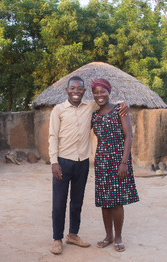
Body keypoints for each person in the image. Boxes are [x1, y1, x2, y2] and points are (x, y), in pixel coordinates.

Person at [48, 76, 128, 255]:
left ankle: (73, 234)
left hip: (82, 162)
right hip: (63, 161)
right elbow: (53, 136)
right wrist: (54, 162)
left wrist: (125, 103)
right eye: (73, 88)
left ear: (84, 92)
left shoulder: (90, 107)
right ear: (67, 90)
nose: (76, 91)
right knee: (59, 203)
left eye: (79, 89)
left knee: (77, 202)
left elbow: (107, 100)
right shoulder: (58, 110)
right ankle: (57, 238)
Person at [90, 78, 139, 252]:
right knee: (105, 201)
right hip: (102, 162)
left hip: (119, 160)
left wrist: (124, 162)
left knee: (117, 201)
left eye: (103, 91)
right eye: (96, 92)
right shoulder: (94, 115)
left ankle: (118, 237)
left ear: (109, 92)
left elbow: (128, 136)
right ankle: (108, 236)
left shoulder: (120, 109)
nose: (100, 95)